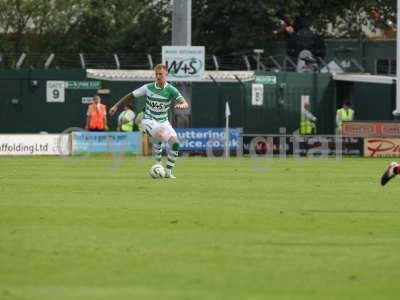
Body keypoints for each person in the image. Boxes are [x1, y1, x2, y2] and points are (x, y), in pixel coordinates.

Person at [109, 64, 189, 179]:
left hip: (163, 121)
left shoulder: (171, 90)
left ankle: (168, 172)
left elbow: (184, 102)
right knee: (160, 133)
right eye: (156, 74)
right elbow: (130, 96)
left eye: (160, 74)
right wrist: (116, 106)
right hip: (149, 120)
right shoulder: (148, 87)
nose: (158, 76)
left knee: (175, 144)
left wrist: (182, 105)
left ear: (166, 74)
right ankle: (158, 163)